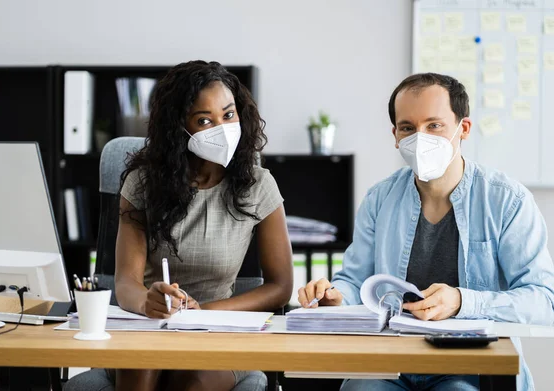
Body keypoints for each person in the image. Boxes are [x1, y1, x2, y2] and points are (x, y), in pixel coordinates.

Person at [298, 73, 554, 391]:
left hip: (469, 366)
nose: (420, 138)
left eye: (434, 125)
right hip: (390, 362)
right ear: (395, 135)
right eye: (408, 127)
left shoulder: (506, 199)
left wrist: (462, 301)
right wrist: (334, 297)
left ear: (464, 128)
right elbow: (355, 282)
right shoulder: (380, 198)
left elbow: (543, 300)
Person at [113, 61, 292, 391]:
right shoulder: (142, 184)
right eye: (204, 120)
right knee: (139, 375)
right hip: (150, 326)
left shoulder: (258, 185)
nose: (222, 128)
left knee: (190, 383)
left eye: (228, 115)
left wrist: (203, 311)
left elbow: (280, 286)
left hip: (219, 329)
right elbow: (125, 281)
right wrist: (145, 302)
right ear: (178, 129)